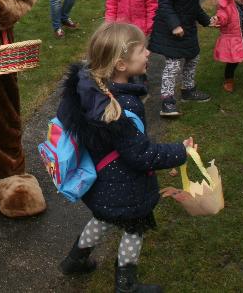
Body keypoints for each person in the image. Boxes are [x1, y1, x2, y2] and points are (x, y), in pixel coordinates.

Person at [56, 22, 192, 291]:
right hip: (126, 187)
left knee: (102, 219)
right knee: (134, 229)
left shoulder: (94, 90)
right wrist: (181, 151)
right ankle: (126, 285)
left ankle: (74, 261)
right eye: (142, 50)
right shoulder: (122, 106)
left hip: (103, 182)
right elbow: (141, 154)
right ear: (120, 64)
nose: (148, 53)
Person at [149, 0, 220, 118]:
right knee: (173, 64)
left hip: (186, 26)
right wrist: (174, 25)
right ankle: (167, 101)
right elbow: (164, 3)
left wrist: (207, 21)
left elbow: (192, 5)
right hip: (171, 28)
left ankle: (188, 90)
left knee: (193, 57)